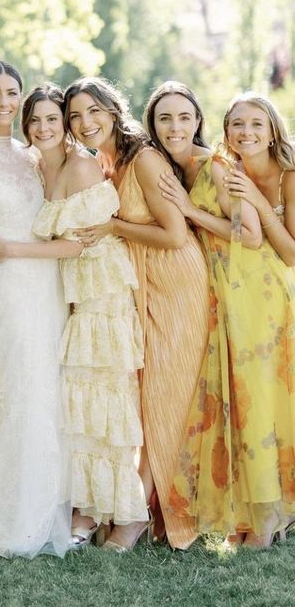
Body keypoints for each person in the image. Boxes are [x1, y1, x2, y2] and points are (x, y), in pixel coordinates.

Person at [64, 77, 208, 550]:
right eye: (75, 116)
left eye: (93, 111)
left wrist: (113, 226)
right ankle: (132, 505)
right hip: (143, 285)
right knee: (146, 400)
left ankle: (139, 516)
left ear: (112, 109)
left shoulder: (143, 158)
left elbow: (173, 234)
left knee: (164, 398)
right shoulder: (103, 161)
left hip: (176, 281)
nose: (85, 123)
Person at [161, 90, 295, 547]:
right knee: (242, 399)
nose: (246, 133)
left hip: (262, 290)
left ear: (273, 128)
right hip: (229, 288)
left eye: (256, 124)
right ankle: (256, 512)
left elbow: (272, 246)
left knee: (257, 398)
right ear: (224, 130)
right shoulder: (223, 165)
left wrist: (195, 211)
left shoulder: (285, 175)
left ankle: (268, 519)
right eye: (237, 124)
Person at [16, 85, 147, 549]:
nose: (46, 128)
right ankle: (89, 510)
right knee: (81, 405)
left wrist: (12, 250)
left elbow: (81, 243)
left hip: (103, 293)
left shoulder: (82, 165)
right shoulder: (39, 165)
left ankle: (128, 516)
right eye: (39, 120)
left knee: (106, 398)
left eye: (56, 118)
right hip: (76, 295)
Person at [0, 61, 72, 558]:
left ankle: (49, 506)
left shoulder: (32, 154)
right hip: (7, 290)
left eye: (12, 93)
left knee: (47, 390)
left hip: (48, 283)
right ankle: (9, 518)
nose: (4, 102)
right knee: (18, 391)